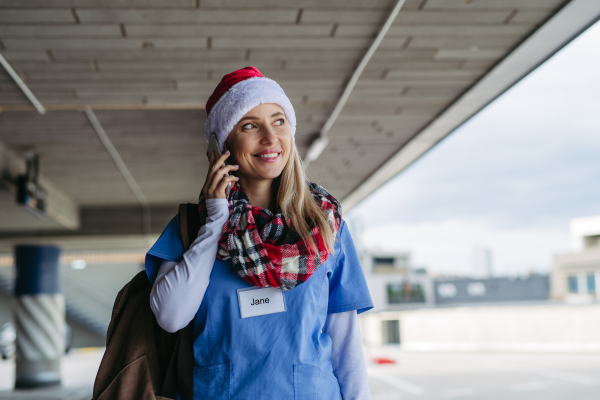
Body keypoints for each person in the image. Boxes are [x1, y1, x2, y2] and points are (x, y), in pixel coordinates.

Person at [145, 66, 373, 400]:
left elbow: (346, 345)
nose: (270, 138)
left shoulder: (324, 223)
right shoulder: (192, 227)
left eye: (278, 121)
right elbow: (170, 316)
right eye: (250, 125)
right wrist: (215, 220)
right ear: (220, 145)